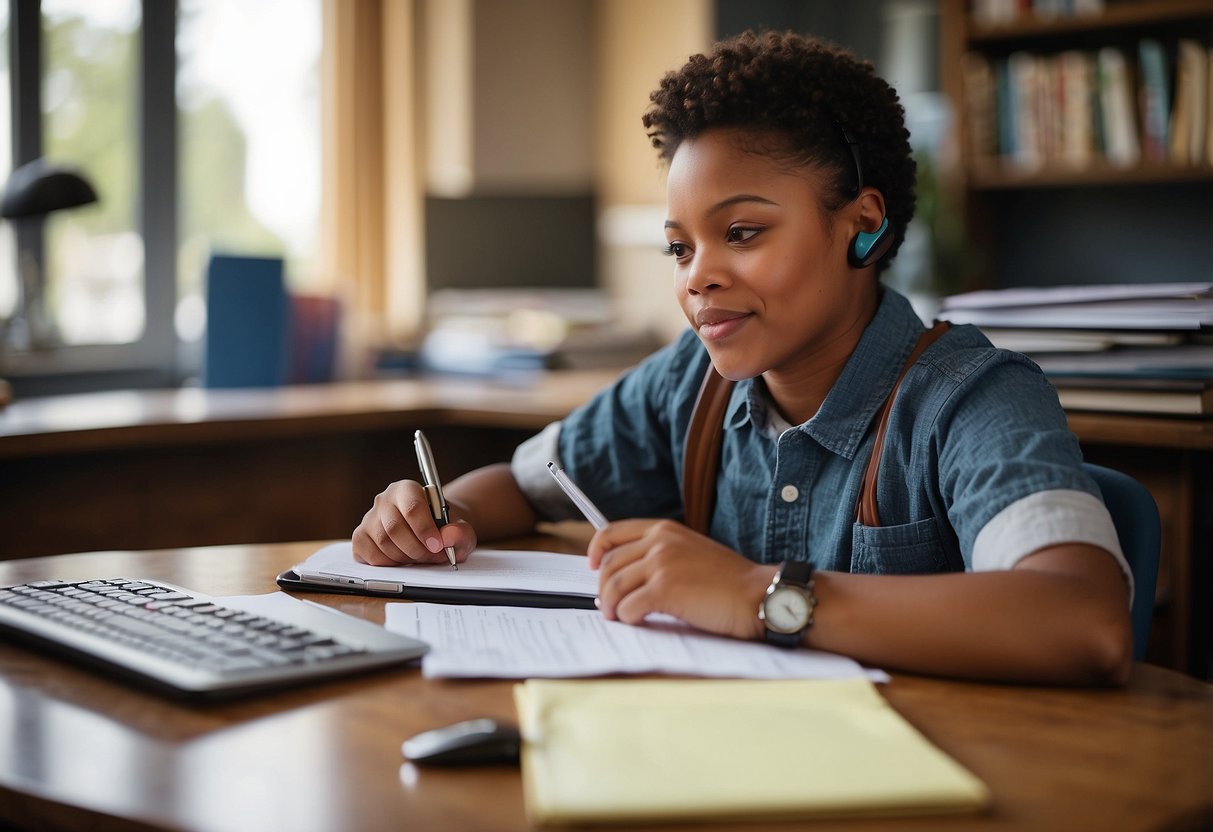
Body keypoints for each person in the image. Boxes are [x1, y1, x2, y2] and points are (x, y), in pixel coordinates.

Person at [353, 31, 1133, 685]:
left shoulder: (969, 398)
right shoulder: (688, 385)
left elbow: (1083, 621)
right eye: (677, 247)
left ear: (861, 224)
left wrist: (756, 594)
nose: (697, 276)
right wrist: (437, 514)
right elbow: (520, 488)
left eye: (743, 233)